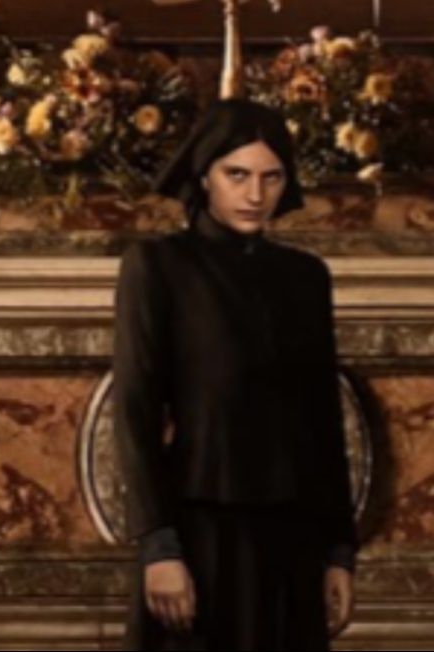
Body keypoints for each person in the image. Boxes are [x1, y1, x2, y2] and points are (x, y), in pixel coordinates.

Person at [113, 99, 360, 649]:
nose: (255, 195)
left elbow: (323, 421)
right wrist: (158, 545)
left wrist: (339, 551)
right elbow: (135, 410)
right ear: (204, 176)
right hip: (199, 535)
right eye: (237, 175)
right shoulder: (157, 266)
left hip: (292, 535)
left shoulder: (305, 277)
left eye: (272, 178)